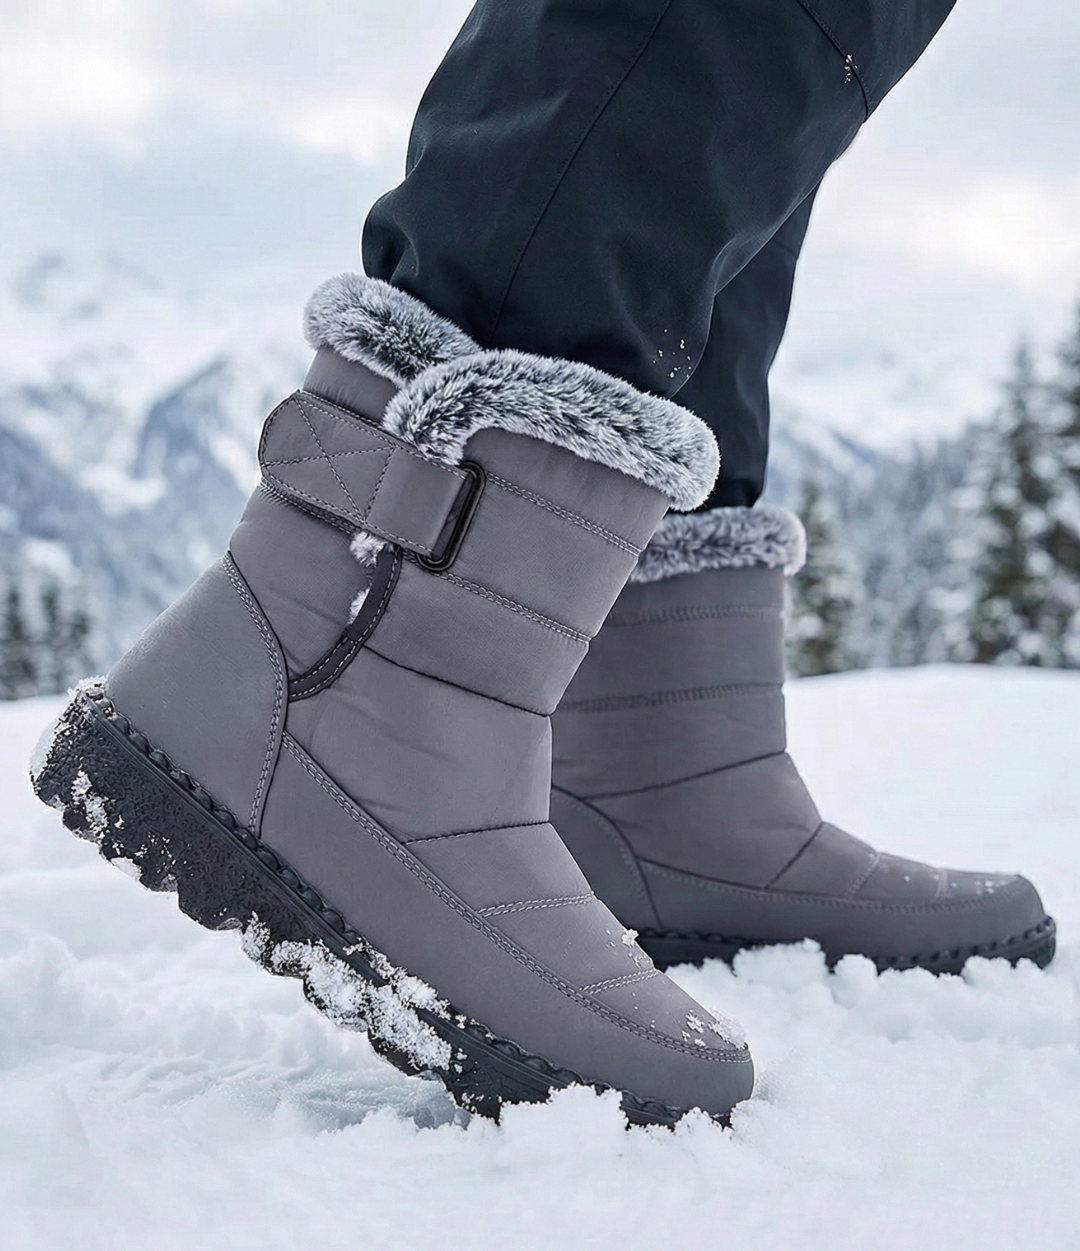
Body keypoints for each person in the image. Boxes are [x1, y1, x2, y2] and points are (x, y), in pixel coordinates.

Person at [32, 0, 1052, 1124]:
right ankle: (346, 662)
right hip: (352, 638)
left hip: (634, 733)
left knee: (796, 78)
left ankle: (661, 769)